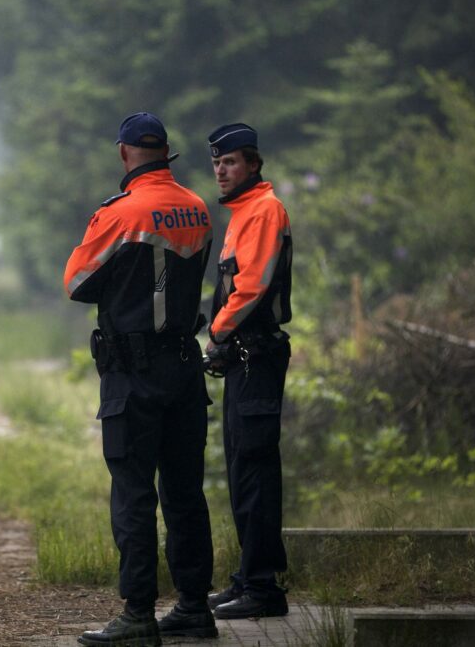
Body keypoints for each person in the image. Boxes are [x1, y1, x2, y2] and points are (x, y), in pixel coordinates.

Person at [64, 112, 218, 645]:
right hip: (184, 365)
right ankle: (196, 607)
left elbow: (77, 283)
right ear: (166, 152)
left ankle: (137, 615)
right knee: (184, 492)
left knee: (133, 492)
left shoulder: (119, 214)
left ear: (125, 154)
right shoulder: (197, 208)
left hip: (133, 372)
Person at [204, 122, 293, 619]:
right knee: (242, 470)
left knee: (255, 470)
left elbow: (252, 286)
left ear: (253, 164)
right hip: (243, 358)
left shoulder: (263, 210)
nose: (221, 170)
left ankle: (262, 589)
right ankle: (248, 579)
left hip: (255, 356)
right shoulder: (242, 213)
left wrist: (215, 333)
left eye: (231, 162)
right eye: (217, 163)